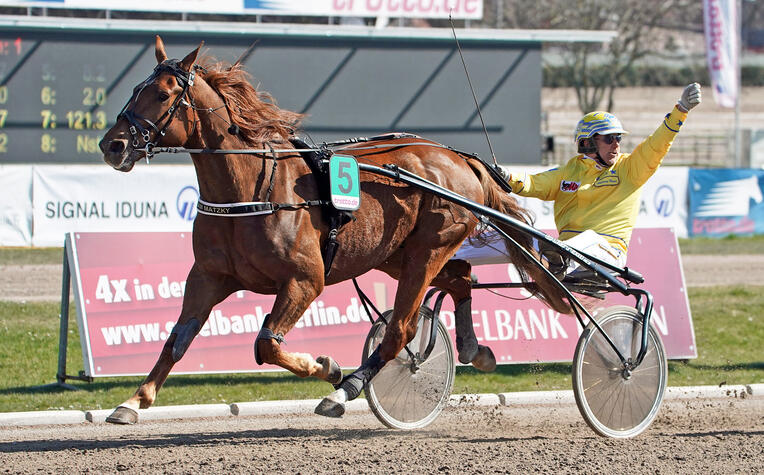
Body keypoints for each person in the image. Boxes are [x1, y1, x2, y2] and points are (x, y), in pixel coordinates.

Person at [499, 83, 702, 275]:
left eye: (618, 138)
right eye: (608, 138)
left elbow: (657, 144)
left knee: (587, 239)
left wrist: (681, 109)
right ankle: (466, 259)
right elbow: (533, 183)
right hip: (566, 250)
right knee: (507, 235)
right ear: (587, 142)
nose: (616, 144)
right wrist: (504, 176)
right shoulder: (569, 170)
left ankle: (556, 259)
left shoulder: (630, 168)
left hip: (608, 253)